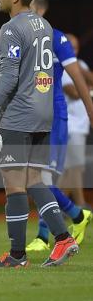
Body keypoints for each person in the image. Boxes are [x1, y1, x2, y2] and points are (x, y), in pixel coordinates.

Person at [0, 0, 77, 268]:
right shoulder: (43, 25)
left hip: (19, 115)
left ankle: (21, 254)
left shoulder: (10, 28)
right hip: (44, 113)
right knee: (34, 180)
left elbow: (8, 77)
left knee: (14, 185)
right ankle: (61, 239)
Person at [26, 0, 93, 252]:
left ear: (40, 9)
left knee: (41, 180)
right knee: (36, 179)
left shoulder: (56, 38)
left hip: (55, 119)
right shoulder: (21, 39)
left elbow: (78, 77)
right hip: (33, 118)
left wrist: (89, 108)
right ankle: (73, 218)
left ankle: (56, 228)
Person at [58, 34, 92, 208]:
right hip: (70, 125)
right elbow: (74, 92)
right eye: (71, 47)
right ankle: (65, 206)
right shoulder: (62, 66)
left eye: (77, 47)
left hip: (81, 124)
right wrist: (86, 86)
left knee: (73, 168)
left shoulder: (80, 65)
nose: (74, 50)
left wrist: (81, 69)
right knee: (73, 167)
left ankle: (72, 206)